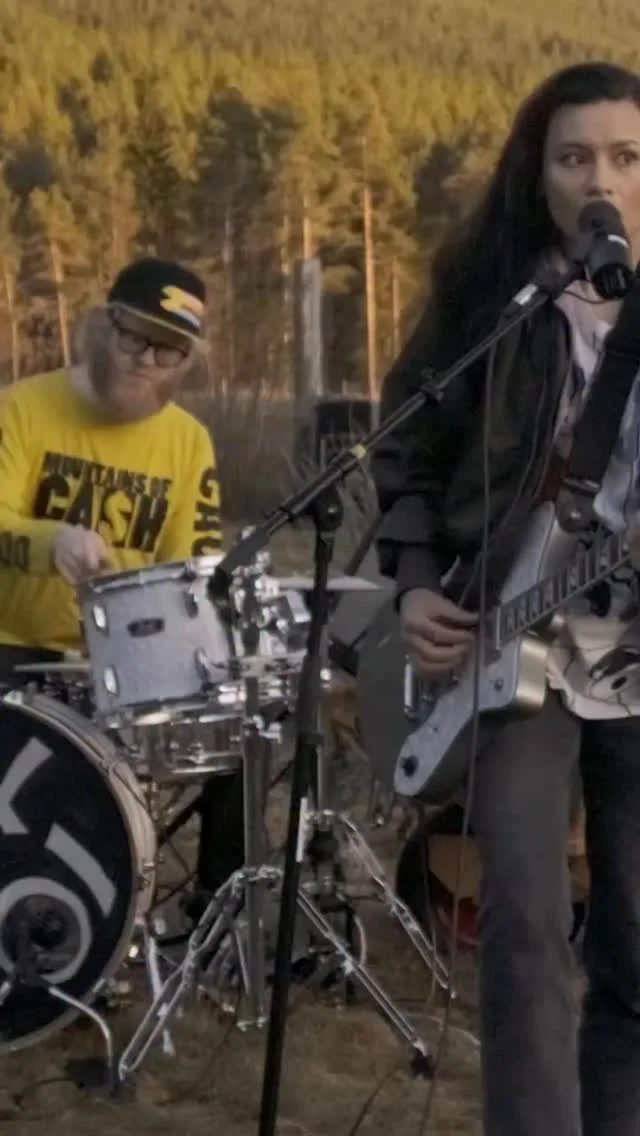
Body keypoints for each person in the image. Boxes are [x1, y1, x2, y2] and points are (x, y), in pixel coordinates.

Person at [372, 61, 640, 1136]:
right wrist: (414, 586)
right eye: (574, 157)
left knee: (634, 936)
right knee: (523, 918)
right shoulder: (494, 297)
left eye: (625, 157)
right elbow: (405, 449)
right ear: (538, 174)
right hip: (516, 635)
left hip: (631, 645)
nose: (600, 179)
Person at [0, 256, 243, 903]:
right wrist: (53, 540)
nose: (146, 361)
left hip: (127, 665)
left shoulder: (188, 443)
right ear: (102, 326)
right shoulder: (21, 409)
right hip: (14, 650)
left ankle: (218, 911)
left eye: (168, 351)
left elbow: (192, 568)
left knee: (247, 727)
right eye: (135, 337)